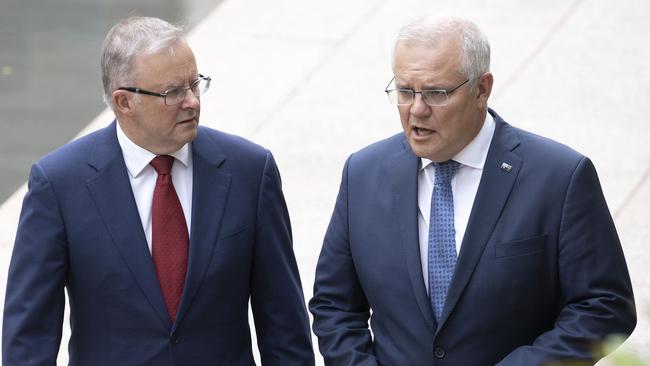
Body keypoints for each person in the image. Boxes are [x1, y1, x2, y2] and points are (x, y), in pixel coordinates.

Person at [309, 14, 636, 365]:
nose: (417, 110)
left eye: (436, 93)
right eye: (405, 91)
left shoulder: (559, 178)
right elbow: (334, 305)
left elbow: (604, 305)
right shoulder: (363, 174)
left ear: (481, 89)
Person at [3, 16, 314, 365]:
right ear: (124, 102)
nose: (192, 102)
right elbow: (28, 339)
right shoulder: (59, 185)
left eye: (195, 84)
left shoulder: (250, 172)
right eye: (173, 92)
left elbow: (285, 326)